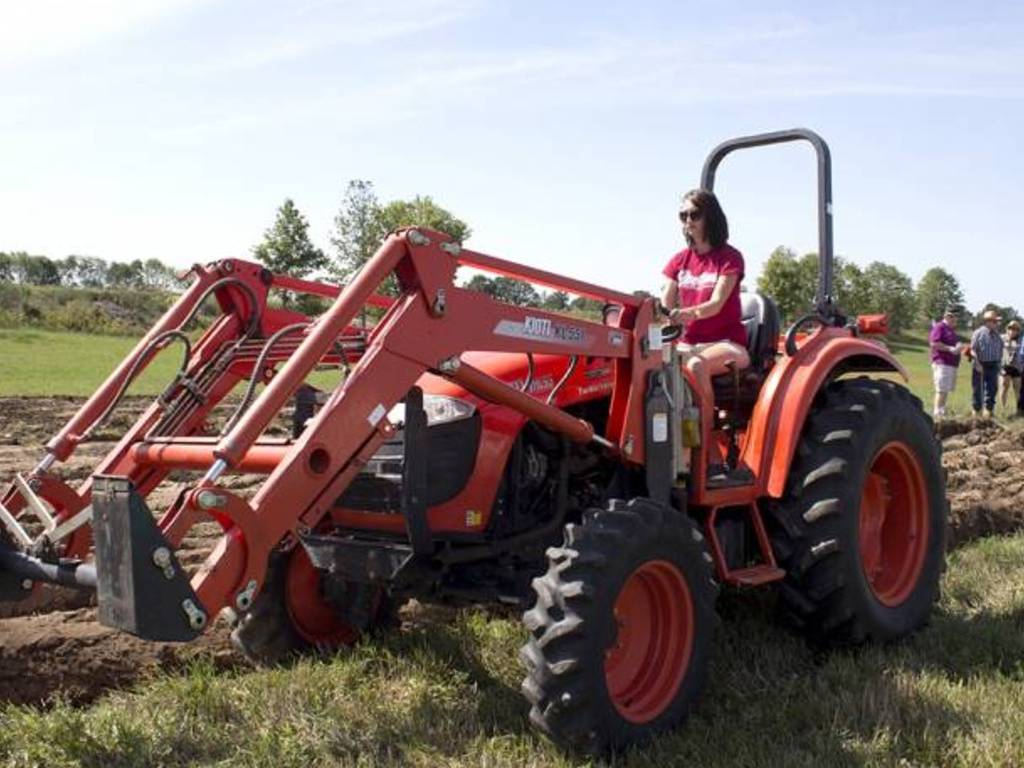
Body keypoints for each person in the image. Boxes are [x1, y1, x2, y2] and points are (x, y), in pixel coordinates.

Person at [660, 189, 749, 476]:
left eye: (694, 215)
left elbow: (716, 304)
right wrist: (661, 314)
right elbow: (665, 301)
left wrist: (685, 313)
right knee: (650, 364)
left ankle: (707, 453)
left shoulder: (730, 258)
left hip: (727, 344)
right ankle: (667, 447)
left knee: (694, 365)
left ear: (710, 217)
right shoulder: (679, 261)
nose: (688, 221)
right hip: (688, 343)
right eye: (683, 215)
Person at [928, 305, 962, 419]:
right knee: (941, 389)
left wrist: (957, 346)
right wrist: (950, 348)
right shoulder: (940, 327)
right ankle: (937, 413)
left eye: (957, 317)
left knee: (946, 389)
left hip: (951, 364)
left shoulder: (951, 330)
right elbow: (934, 343)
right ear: (947, 316)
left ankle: (941, 411)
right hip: (942, 362)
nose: (955, 319)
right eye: (953, 316)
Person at [969, 309, 1004, 418]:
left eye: (997, 321)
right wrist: (977, 363)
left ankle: (989, 410)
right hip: (980, 364)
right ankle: (976, 410)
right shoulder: (978, 333)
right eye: (994, 321)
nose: (996, 323)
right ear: (988, 321)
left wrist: (1000, 364)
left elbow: (1000, 350)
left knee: (992, 388)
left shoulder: (997, 335)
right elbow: (972, 349)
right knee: (978, 389)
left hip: (994, 365)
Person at [999, 319, 1022, 415]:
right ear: (1007, 329)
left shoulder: (1021, 340)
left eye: (1015, 328)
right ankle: (1003, 409)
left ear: (1018, 330)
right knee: (1004, 386)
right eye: (1010, 328)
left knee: (1018, 388)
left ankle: (1019, 410)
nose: (1012, 330)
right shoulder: (1001, 338)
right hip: (1005, 365)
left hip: (1017, 367)